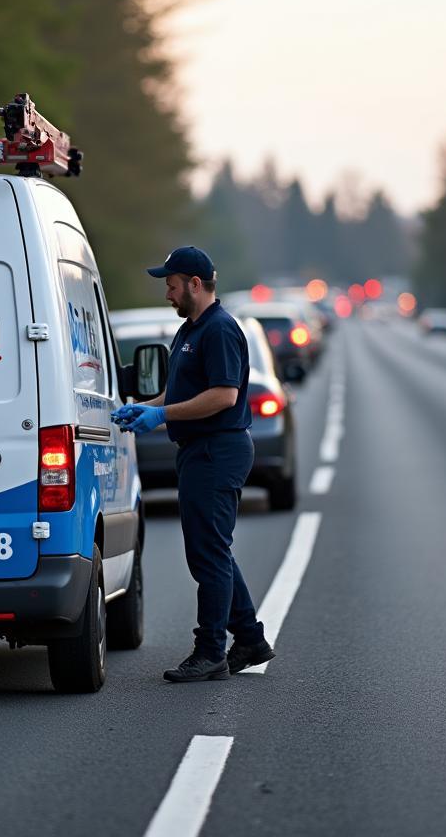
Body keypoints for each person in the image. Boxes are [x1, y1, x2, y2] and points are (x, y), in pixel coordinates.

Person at [112, 246, 275, 682]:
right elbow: (181, 392)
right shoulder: (190, 330)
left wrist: (161, 417)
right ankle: (250, 639)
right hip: (199, 452)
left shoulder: (220, 330)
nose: (167, 292)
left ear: (194, 284)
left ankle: (210, 652)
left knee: (208, 555)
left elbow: (224, 396)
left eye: (170, 284)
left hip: (218, 451)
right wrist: (144, 407)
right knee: (212, 551)